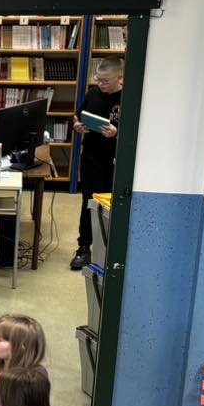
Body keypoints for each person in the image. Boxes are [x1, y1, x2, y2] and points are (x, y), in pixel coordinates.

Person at [72, 58, 124, 271]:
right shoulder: (92, 94)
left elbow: (136, 129)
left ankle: (111, 249)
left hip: (115, 160)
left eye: (106, 80)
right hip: (91, 156)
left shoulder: (127, 97)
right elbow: (78, 116)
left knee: (112, 204)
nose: (101, 84)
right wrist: (77, 125)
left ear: (119, 78)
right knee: (89, 201)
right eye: (98, 79)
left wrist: (117, 132)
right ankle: (84, 247)